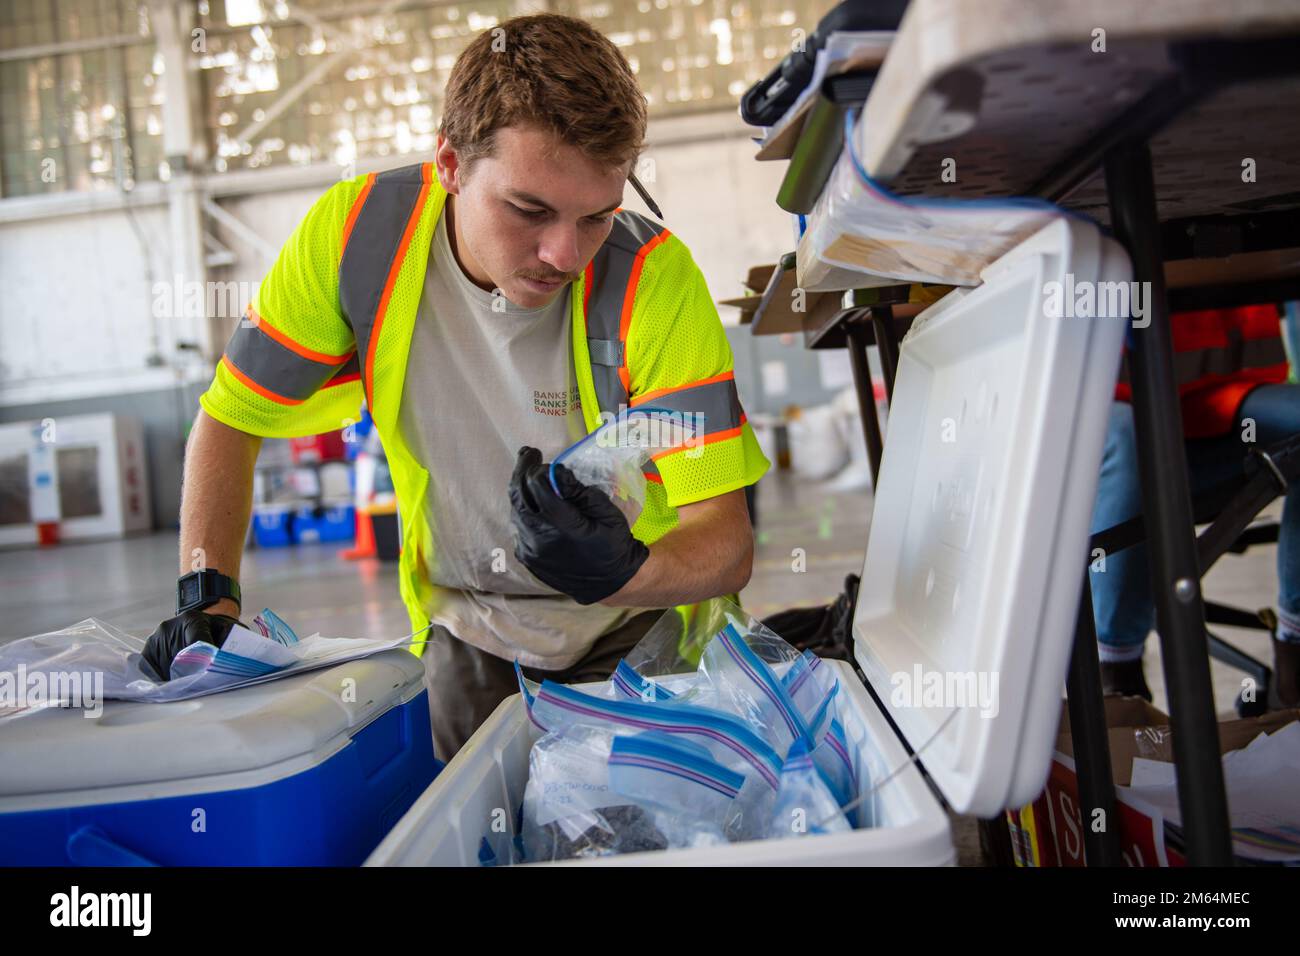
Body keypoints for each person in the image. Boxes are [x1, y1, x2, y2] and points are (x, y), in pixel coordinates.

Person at [143, 13, 770, 760]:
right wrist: (205, 597)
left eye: (597, 217)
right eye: (528, 209)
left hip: (643, 628)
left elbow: (725, 544)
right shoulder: (353, 244)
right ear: (449, 163)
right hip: (466, 631)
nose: (563, 253)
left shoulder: (653, 279)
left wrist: (626, 571)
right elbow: (229, 418)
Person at [1090, 303, 1298, 706]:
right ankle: (1116, 674)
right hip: (1097, 410)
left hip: (1214, 398)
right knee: (1131, 441)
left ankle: (1295, 658)